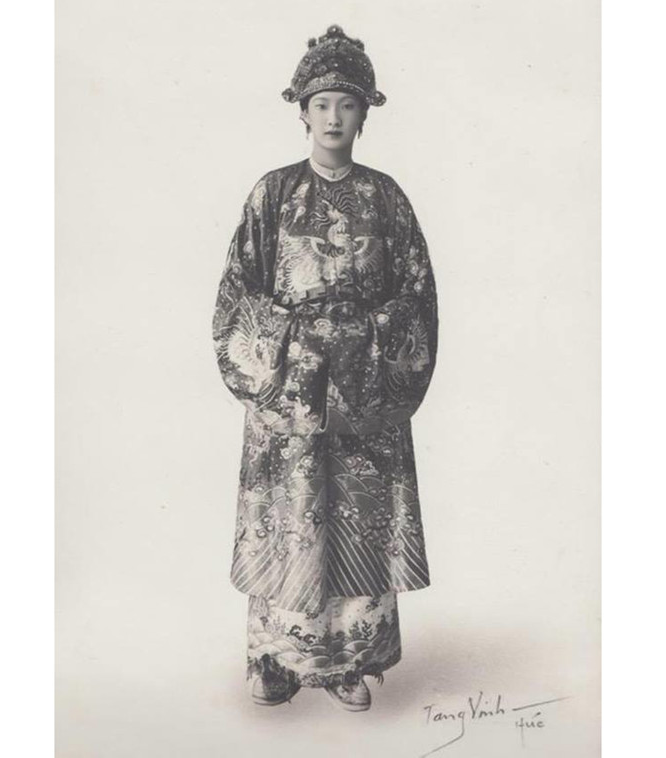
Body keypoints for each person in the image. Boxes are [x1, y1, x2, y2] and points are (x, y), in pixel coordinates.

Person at [212, 24, 439, 712]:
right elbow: (239, 294)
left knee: (358, 517)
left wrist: (364, 336)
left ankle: (349, 663)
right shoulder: (273, 194)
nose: (333, 117)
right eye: (321, 104)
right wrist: (298, 342)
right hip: (291, 391)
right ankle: (277, 659)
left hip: (365, 393)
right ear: (303, 113)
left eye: (346, 103)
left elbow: (416, 296)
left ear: (364, 113)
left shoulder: (386, 198)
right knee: (290, 516)